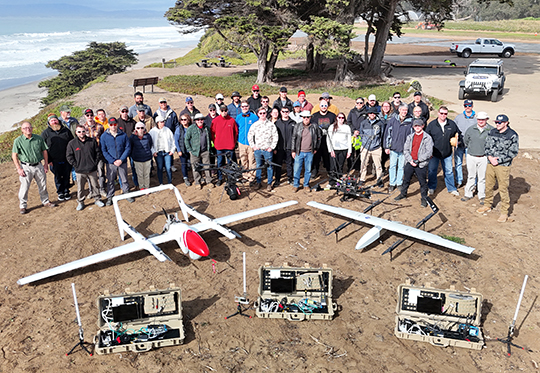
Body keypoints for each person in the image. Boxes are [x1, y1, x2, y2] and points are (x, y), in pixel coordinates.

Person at [477, 114, 519, 223]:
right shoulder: (492, 132)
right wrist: (490, 157)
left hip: (503, 166)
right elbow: (487, 146)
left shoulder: (512, 135)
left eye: (499, 123)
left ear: (506, 123)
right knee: (489, 185)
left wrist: (498, 160)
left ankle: (504, 212)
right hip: (490, 163)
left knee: (503, 189)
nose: (497, 124)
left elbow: (513, 152)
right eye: (496, 122)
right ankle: (487, 204)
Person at [12, 121, 56, 214]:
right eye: (25, 128)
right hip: (26, 166)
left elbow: (44, 151)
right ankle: (23, 206)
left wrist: (45, 164)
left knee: (43, 185)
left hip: (38, 165)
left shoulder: (38, 138)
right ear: (22, 130)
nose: (28, 129)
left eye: (29, 127)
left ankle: (45, 201)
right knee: (24, 187)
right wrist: (19, 168)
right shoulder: (18, 141)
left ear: (32, 128)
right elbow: (14, 155)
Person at [394, 119, 434, 207]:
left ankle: (424, 198)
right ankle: (403, 194)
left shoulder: (427, 138)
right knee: (406, 180)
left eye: (419, 126)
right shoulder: (410, 137)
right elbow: (406, 150)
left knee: (422, 182)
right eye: (415, 126)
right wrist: (410, 160)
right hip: (410, 162)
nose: (417, 127)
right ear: (413, 127)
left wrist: (418, 160)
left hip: (421, 164)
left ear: (423, 126)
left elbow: (429, 152)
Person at [66, 125, 105, 210]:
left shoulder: (92, 141)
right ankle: (80, 202)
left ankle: (97, 199)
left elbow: (98, 153)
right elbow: (69, 156)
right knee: (80, 188)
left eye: (83, 131)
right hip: (80, 171)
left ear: (85, 132)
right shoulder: (72, 143)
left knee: (95, 186)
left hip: (92, 169)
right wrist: (76, 165)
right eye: (79, 131)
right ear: (76, 132)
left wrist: (94, 164)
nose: (81, 133)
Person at [425, 106, 461, 197]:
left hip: (447, 153)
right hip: (434, 154)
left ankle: (451, 188)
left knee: (448, 171)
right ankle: (431, 187)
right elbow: (426, 138)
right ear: (438, 113)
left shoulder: (451, 124)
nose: (443, 115)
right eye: (441, 113)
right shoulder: (432, 125)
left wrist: (457, 140)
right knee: (432, 171)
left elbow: (458, 134)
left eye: (445, 113)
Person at [461, 112, 493, 205]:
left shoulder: (491, 130)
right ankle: (468, 193)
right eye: (479, 119)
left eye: (483, 120)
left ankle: (482, 195)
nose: (481, 121)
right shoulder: (471, 129)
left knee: (482, 177)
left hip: (484, 157)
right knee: (471, 176)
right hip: (471, 156)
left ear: (486, 119)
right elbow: (466, 141)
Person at [41, 113, 74, 201]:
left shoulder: (66, 130)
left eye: (55, 120)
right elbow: (43, 148)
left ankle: (67, 191)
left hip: (67, 159)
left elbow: (72, 143)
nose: (54, 122)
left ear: (58, 120)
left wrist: (72, 157)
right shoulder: (45, 133)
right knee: (58, 177)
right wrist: (48, 161)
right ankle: (60, 192)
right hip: (53, 160)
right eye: (52, 121)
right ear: (49, 123)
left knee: (67, 175)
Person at [100, 117, 133, 205]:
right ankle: (110, 196)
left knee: (124, 179)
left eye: (114, 124)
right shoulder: (104, 136)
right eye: (111, 124)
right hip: (111, 163)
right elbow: (104, 150)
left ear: (117, 124)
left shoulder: (123, 135)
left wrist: (121, 159)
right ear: (109, 125)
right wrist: (112, 160)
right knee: (110, 180)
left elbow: (127, 148)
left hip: (122, 162)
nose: (113, 126)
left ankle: (126, 193)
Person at [248, 106, 279, 190]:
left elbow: (275, 136)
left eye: (264, 113)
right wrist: (253, 146)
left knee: (269, 167)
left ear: (266, 114)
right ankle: (258, 182)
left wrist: (272, 147)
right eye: (260, 113)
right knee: (258, 166)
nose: (262, 115)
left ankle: (269, 183)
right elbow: (250, 136)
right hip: (258, 150)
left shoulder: (271, 125)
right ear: (258, 114)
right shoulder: (255, 125)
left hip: (267, 150)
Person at [384, 104, 413, 192]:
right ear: (399, 110)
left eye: (406, 110)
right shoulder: (393, 120)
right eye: (402, 110)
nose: (404, 112)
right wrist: (386, 146)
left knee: (401, 166)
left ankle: (399, 182)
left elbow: (412, 137)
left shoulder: (410, 121)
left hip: (404, 149)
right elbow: (387, 134)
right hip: (393, 147)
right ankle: (392, 183)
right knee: (392, 166)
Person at [291, 111, 321, 192]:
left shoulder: (314, 126)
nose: (306, 119)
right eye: (304, 117)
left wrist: (316, 148)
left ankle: (306, 184)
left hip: (309, 152)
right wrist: (293, 150)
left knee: (308, 170)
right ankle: (296, 185)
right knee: (297, 169)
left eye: (307, 117)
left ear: (310, 117)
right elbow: (293, 138)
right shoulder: (297, 126)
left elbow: (319, 138)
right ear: (302, 117)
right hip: (299, 151)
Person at [211, 105, 238, 186]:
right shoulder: (215, 121)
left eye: (225, 110)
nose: (224, 112)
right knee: (220, 163)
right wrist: (215, 142)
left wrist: (233, 142)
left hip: (229, 146)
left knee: (229, 164)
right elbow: (212, 133)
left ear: (227, 110)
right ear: (219, 111)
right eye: (222, 110)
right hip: (219, 146)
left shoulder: (232, 120)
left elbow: (236, 132)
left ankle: (229, 178)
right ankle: (220, 178)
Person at [185, 113, 214, 189]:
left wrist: (208, 149)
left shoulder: (207, 128)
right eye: (198, 119)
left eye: (201, 119)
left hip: (205, 151)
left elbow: (210, 138)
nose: (200, 121)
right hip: (195, 152)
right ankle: (197, 182)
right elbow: (186, 140)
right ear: (195, 121)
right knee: (195, 167)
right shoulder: (191, 128)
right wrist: (190, 150)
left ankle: (209, 181)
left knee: (207, 166)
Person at [453, 99, 477, 188]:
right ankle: (459, 180)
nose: (468, 107)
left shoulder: (476, 119)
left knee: (471, 165)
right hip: (459, 144)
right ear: (464, 106)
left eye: (469, 106)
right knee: (458, 163)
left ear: (472, 106)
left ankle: (473, 182)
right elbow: (453, 129)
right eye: (466, 106)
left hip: (470, 146)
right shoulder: (458, 117)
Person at [359, 107, 384, 185]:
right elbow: (361, 134)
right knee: (363, 164)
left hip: (376, 148)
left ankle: (379, 180)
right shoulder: (363, 123)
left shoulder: (380, 123)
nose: (372, 114)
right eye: (370, 113)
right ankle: (362, 179)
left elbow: (382, 135)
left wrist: (378, 143)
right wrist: (364, 143)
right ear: (368, 114)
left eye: (373, 113)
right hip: (365, 147)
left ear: (376, 114)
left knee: (378, 166)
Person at [311, 100, 336, 177]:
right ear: (319, 106)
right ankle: (314, 172)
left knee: (328, 157)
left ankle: (330, 172)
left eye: (325, 105)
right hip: (317, 140)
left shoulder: (332, 116)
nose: (324, 107)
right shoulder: (314, 116)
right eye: (322, 105)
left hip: (328, 140)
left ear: (327, 106)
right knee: (316, 157)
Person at [236, 100, 258, 184]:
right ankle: (245, 176)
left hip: (251, 143)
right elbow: (237, 129)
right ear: (241, 107)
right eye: (243, 106)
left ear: (248, 106)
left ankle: (252, 177)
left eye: (246, 106)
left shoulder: (254, 117)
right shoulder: (238, 117)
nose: (244, 108)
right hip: (241, 142)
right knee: (243, 160)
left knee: (252, 160)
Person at [150, 115, 176, 185]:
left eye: (163, 122)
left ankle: (169, 182)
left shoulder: (167, 130)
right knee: (160, 168)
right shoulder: (152, 132)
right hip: (158, 153)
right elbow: (150, 143)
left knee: (168, 168)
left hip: (167, 152)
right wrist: (153, 152)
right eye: (161, 122)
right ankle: (161, 182)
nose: (162, 123)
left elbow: (173, 141)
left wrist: (172, 150)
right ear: (157, 123)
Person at [274, 106, 297, 186]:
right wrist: (275, 148)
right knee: (278, 164)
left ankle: (290, 178)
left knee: (289, 164)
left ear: (289, 112)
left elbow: (296, 136)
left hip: (289, 147)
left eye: (286, 111)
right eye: (283, 111)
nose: (285, 113)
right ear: (281, 112)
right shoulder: (277, 123)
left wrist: (294, 149)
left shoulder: (293, 123)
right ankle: (277, 179)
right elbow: (274, 136)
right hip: (280, 147)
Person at [326, 112, 351, 184]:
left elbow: (349, 139)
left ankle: (338, 181)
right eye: (339, 117)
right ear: (336, 118)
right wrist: (331, 150)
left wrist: (349, 151)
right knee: (333, 167)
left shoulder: (347, 127)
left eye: (342, 118)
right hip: (334, 149)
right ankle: (331, 182)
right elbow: (328, 139)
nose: (341, 119)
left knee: (340, 166)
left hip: (343, 149)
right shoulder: (331, 127)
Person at [117, 105, 138, 187]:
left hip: (132, 148)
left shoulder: (133, 122)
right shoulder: (117, 123)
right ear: (120, 112)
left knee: (134, 166)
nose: (125, 113)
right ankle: (123, 185)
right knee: (122, 169)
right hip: (122, 149)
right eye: (123, 111)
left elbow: (137, 133)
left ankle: (136, 183)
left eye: (126, 111)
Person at [130, 122, 153, 190]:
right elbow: (130, 147)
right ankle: (141, 187)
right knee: (139, 174)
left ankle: (147, 186)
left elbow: (150, 144)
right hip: (137, 159)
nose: (140, 129)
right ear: (135, 129)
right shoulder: (132, 137)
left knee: (146, 174)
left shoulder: (148, 136)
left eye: (142, 128)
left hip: (147, 158)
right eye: (138, 128)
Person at [347, 97, 367, 171]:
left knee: (359, 152)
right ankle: (350, 166)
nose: (359, 104)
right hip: (352, 135)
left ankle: (358, 166)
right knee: (351, 151)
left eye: (361, 103)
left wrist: (359, 131)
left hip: (361, 135)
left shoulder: (366, 112)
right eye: (357, 103)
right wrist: (353, 130)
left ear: (363, 103)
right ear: (355, 103)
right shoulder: (352, 111)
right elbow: (348, 122)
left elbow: (366, 123)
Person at [174, 114, 193, 186]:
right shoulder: (179, 129)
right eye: (182, 120)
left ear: (188, 120)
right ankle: (185, 178)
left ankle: (197, 176)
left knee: (194, 164)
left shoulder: (191, 128)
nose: (183, 121)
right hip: (183, 150)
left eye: (185, 119)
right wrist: (179, 150)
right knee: (184, 165)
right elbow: (176, 140)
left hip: (191, 149)